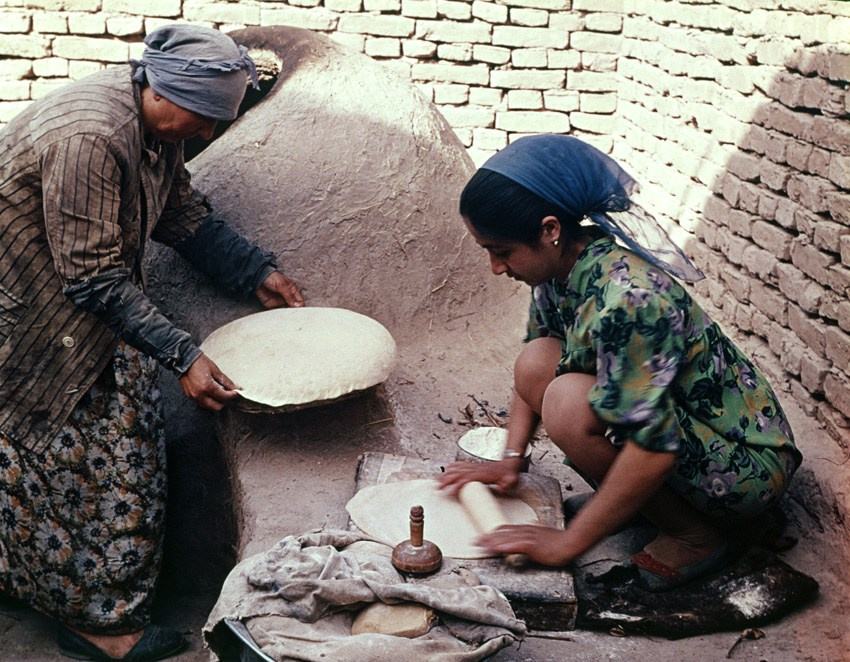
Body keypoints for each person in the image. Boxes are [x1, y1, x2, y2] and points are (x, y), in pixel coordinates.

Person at [0, 25, 304, 661]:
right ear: (166, 90)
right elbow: (91, 276)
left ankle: (90, 603)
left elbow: (179, 214)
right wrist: (185, 355)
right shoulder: (88, 135)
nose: (205, 135)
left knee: (124, 461)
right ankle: (98, 626)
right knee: (60, 471)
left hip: (84, 317)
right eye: (203, 119)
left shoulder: (156, 129)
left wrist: (253, 272)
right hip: (29, 324)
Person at [439, 134, 801, 591]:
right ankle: (642, 506)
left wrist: (569, 542)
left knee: (568, 403)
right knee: (537, 362)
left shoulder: (630, 298)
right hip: (681, 433)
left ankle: (693, 535)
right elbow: (535, 363)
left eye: (502, 251)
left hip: (744, 466)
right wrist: (511, 462)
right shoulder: (560, 269)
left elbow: (654, 445)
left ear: (550, 230)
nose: (495, 267)